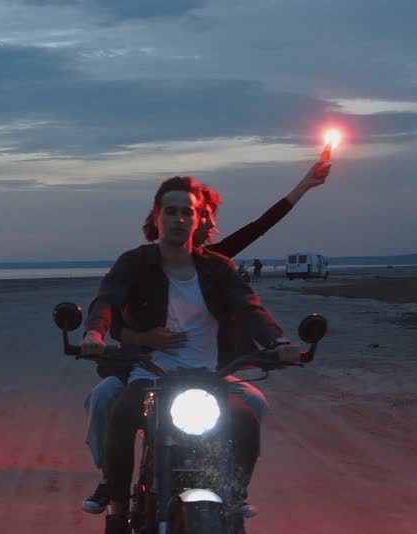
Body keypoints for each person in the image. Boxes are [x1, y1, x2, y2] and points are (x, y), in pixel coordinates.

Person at [80, 160, 330, 514]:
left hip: (209, 374)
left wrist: (278, 343)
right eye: (171, 211)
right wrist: (97, 331)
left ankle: (234, 498)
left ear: (198, 220)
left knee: (252, 408)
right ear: (157, 217)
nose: (183, 219)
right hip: (148, 370)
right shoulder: (136, 264)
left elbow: (249, 307)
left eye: (191, 213)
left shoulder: (217, 266)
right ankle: (115, 496)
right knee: (108, 404)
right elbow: (108, 300)